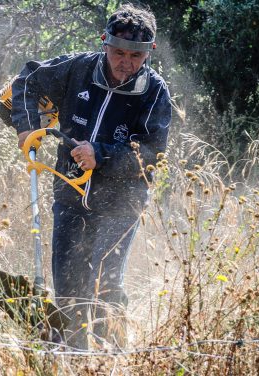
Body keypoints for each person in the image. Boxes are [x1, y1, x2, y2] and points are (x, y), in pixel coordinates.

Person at [9, 3, 171, 350]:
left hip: (121, 204)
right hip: (68, 191)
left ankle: (110, 357)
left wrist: (102, 155)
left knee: (105, 285)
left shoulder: (155, 92)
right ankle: (70, 356)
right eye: (118, 52)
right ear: (104, 43)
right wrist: (26, 128)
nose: (125, 62)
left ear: (148, 53)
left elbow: (153, 154)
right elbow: (27, 81)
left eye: (135, 55)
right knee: (68, 286)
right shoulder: (77, 68)